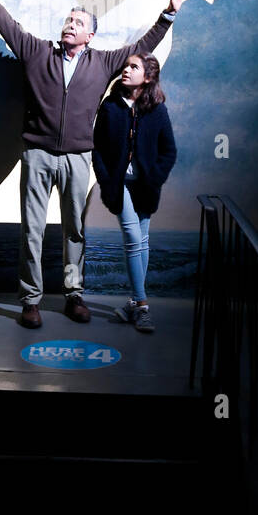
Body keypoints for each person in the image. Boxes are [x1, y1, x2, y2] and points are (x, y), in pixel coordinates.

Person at [0, 0, 185, 328]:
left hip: (79, 158)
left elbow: (141, 48)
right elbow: (7, 24)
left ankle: (74, 296)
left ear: (90, 35)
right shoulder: (36, 52)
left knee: (74, 230)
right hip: (36, 154)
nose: (69, 24)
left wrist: (168, 15)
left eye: (77, 22)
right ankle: (31, 301)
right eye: (67, 19)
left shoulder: (102, 63)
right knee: (31, 230)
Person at [92, 54, 176, 332]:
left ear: (148, 77)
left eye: (133, 67)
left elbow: (168, 151)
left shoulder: (157, 110)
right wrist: (105, 180)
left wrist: (153, 178)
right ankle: (142, 305)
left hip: (145, 187)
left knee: (143, 240)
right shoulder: (110, 106)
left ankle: (132, 305)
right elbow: (98, 148)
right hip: (119, 185)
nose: (125, 70)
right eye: (126, 65)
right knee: (132, 237)